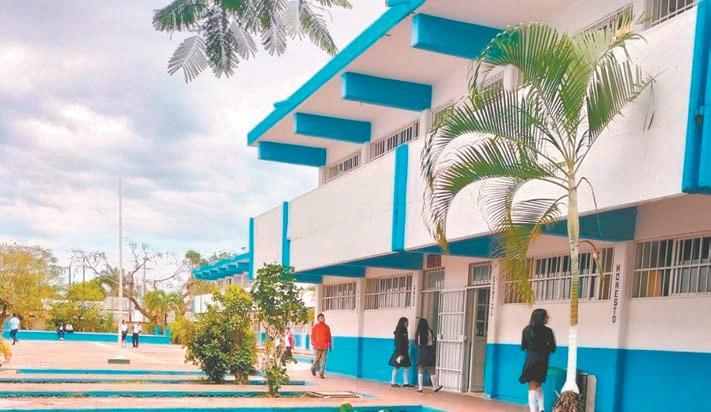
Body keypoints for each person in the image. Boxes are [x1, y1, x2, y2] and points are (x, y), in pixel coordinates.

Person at [519, 308, 556, 412]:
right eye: (546, 316)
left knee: (532, 387)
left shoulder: (526, 330)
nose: (548, 317)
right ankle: (541, 409)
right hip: (543, 361)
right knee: (539, 385)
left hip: (531, 360)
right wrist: (544, 349)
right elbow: (552, 348)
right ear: (541, 318)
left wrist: (532, 347)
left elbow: (523, 347)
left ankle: (533, 410)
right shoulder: (548, 331)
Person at [415, 318, 442, 393]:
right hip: (429, 351)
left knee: (420, 370)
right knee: (431, 369)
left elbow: (416, 343)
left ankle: (420, 388)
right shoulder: (430, 332)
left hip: (421, 351)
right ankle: (435, 387)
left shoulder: (418, 332)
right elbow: (433, 342)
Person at [389, 317, 412, 388]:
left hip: (405, 352)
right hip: (400, 352)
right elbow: (398, 342)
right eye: (406, 322)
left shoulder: (405, 330)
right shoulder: (399, 331)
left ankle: (406, 383)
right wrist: (401, 353)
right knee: (396, 366)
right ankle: (393, 382)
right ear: (403, 323)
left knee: (406, 366)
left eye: (408, 322)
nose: (407, 324)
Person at [310, 313, 332, 379]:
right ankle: (313, 367)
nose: (323, 319)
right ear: (318, 319)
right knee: (316, 359)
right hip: (317, 346)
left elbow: (329, 336)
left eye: (323, 317)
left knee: (323, 360)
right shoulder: (315, 327)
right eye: (321, 318)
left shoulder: (327, 327)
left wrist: (330, 345)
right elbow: (312, 336)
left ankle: (321, 373)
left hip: (325, 346)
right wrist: (313, 344)